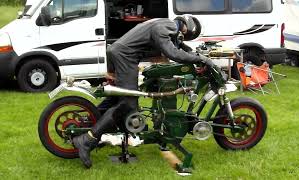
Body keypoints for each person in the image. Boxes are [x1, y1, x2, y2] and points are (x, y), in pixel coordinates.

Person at [72, 15, 215, 168]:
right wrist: (202, 60)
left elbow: (178, 46)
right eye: (185, 35)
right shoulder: (166, 27)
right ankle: (87, 140)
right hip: (126, 56)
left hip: (118, 52)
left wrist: (196, 55)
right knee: (128, 104)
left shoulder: (163, 24)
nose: (182, 37)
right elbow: (172, 53)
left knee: (117, 99)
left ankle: (89, 125)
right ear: (186, 27)